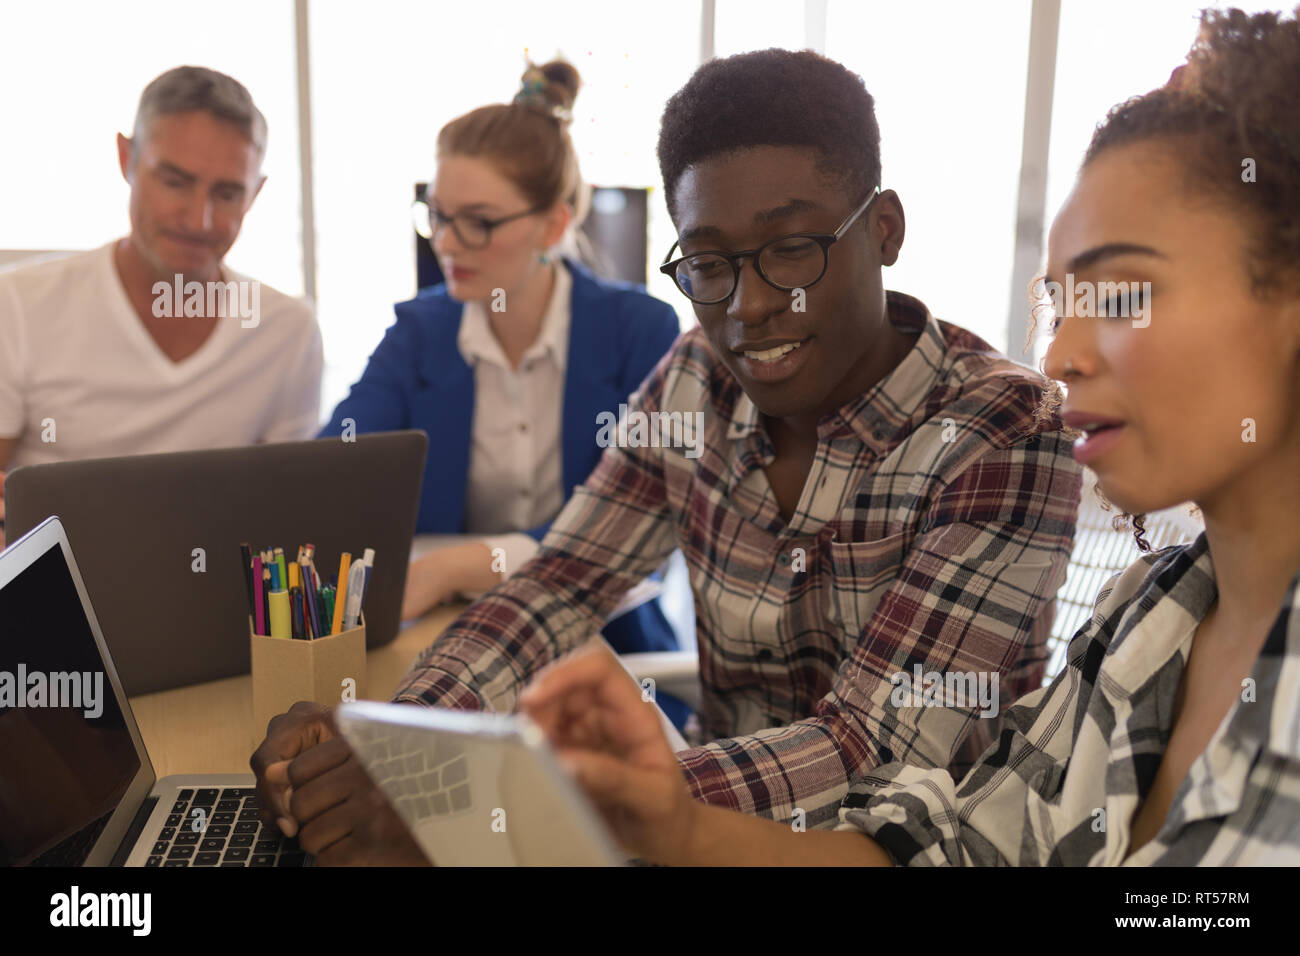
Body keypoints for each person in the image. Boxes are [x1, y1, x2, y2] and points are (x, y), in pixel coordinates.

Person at [250, 48, 1083, 865]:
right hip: (685, 831)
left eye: (793, 248)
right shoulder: (696, 380)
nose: (750, 307)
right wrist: (392, 745)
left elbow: (872, 748)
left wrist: (475, 799)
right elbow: (557, 587)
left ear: (886, 228)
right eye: (709, 265)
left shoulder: (1001, 429)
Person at [514, 6, 1300, 865]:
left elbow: (870, 753)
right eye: (1058, 302)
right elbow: (963, 848)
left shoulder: (997, 428)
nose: (1064, 355)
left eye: (1119, 293)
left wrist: (591, 802)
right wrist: (666, 821)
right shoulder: (1148, 619)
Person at [317, 59, 682, 661]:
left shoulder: (639, 331)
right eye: (437, 215)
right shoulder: (419, 332)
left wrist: (453, 567)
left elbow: (637, 532)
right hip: (444, 639)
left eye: (479, 223)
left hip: (606, 652)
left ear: (553, 225)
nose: (447, 243)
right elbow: (332, 471)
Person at [0, 66, 323, 549]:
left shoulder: (286, 330)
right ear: (126, 158)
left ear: (255, 192)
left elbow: (283, 521)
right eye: (174, 181)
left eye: (227, 192)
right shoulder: (19, 305)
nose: (200, 219)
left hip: (215, 604)